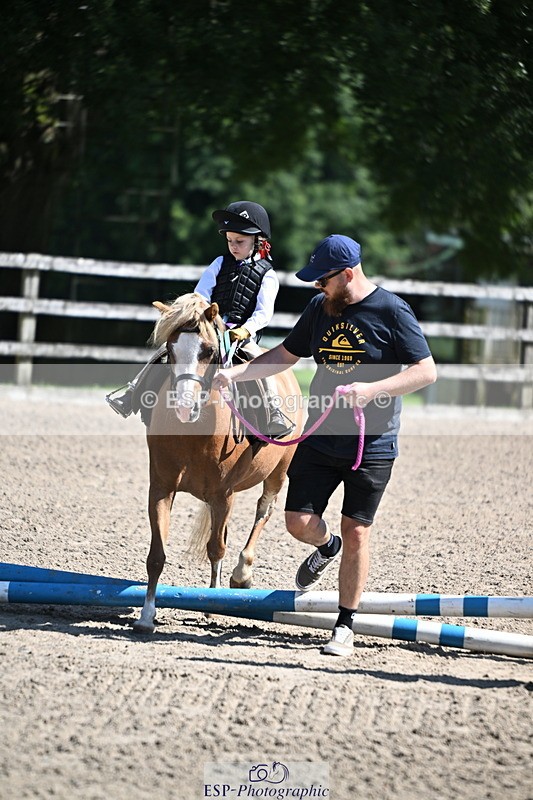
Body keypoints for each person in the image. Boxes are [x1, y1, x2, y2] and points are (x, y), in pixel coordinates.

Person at [212, 234, 437, 657]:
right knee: (297, 521)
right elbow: (285, 354)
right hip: (319, 433)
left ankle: (344, 625)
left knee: (357, 531)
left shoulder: (392, 310)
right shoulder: (320, 308)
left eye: (323, 280)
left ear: (348, 274)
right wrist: (236, 373)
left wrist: (373, 391)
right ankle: (325, 546)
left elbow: (425, 372)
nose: (317, 287)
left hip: (371, 444)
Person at [106, 200, 293, 437]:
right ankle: (132, 393)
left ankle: (274, 411)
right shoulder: (219, 263)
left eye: (240, 242)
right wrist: (198, 317)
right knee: (166, 349)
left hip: (241, 336)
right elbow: (201, 294)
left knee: (259, 360)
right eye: (229, 241)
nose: (233, 246)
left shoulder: (268, 275)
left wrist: (244, 331)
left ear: (257, 241)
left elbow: (263, 314)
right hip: (210, 328)